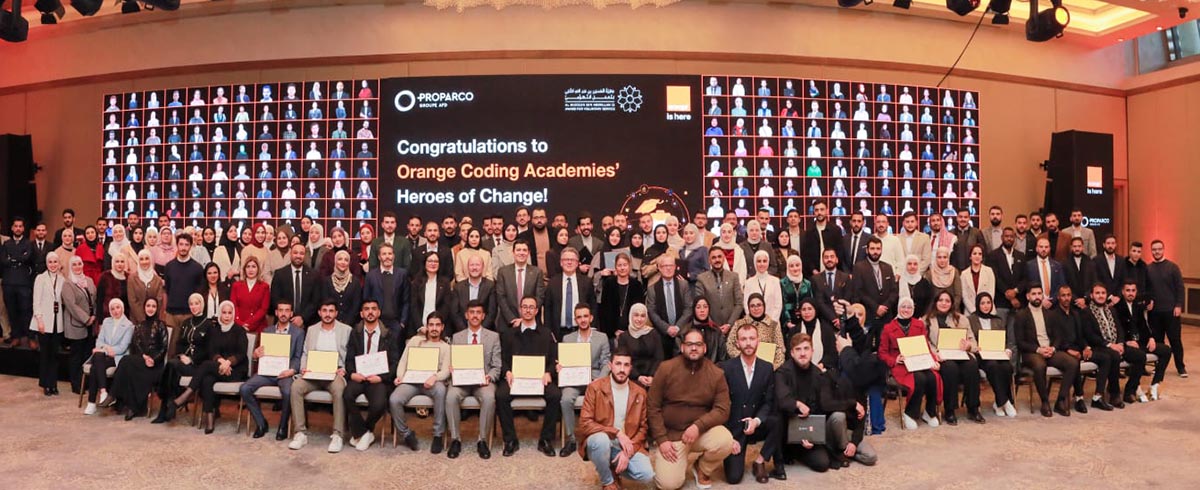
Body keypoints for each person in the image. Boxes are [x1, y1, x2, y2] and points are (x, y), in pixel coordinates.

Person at [775, 332, 877, 471]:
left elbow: (823, 406)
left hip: (811, 427)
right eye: (798, 349)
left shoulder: (819, 374)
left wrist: (811, 434)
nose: (803, 353)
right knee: (823, 461)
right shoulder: (782, 372)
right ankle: (793, 451)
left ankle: (831, 451)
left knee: (823, 463)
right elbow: (782, 401)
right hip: (789, 428)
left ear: (812, 351)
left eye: (806, 349)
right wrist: (797, 405)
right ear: (792, 353)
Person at [648, 328, 734, 490]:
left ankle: (701, 468)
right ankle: (677, 463)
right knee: (668, 484)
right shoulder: (666, 368)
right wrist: (661, 439)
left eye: (698, 344)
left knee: (726, 441)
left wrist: (698, 426)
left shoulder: (716, 374)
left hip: (700, 433)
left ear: (704, 348)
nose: (694, 348)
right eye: (689, 344)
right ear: (682, 347)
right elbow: (653, 406)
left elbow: (723, 409)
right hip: (672, 437)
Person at [577, 346, 654, 490]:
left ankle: (612, 466)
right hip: (601, 441)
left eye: (626, 365)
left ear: (631, 368)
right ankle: (608, 481)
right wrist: (616, 432)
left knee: (646, 474)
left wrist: (627, 453)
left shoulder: (640, 393)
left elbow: (643, 428)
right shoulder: (595, 388)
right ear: (610, 365)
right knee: (601, 441)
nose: (622, 369)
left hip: (627, 444)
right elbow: (585, 423)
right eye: (618, 364)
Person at [168, 300, 248, 433]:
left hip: (235, 370)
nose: (227, 316)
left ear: (233, 314)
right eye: (224, 313)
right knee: (207, 379)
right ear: (220, 314)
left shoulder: (239, 330)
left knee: (205, 365)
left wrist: (228, 362)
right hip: (219, 368)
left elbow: (241, 353)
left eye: (229, 313)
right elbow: (212, 351)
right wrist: (221, 361)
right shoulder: (215, 330)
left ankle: (185, 395)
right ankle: (210, 418)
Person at [721, 323, 785, 483]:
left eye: (752, 338)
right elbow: (721, 405)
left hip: (756, 424)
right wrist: (727, 438)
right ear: (737, 343)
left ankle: (760, 461)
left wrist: (756, 421)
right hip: (735, 428)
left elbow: (768, 402)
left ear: (758, 341)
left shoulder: (767, 367)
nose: (748, 343)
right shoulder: (726, 368)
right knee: (733, 478)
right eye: (743, 339)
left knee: (778, 420)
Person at [288, 301, 353, 452]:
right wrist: (304, 368)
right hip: (314, 372)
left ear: (336, 313)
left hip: (334, 372)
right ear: (319, 312)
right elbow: (305, 352)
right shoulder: (312, 330)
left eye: (331, 311)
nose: (327, 314)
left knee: (339, 389)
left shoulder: (346, 330)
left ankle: (338, 435)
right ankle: (300, 433)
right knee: (296, 387)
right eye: (324, 310)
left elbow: (350, 355)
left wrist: (344, 369)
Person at [446, 300, 501, 459]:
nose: (475, 316)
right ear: (466, 315)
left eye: (478, 313)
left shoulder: (493, 337)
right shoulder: (457, 337)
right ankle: (455, 439)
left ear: (483, 316)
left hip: (483, 381)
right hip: (462, 381)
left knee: (489, 398)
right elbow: (453, 361)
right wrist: (452, 368)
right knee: (450, 396)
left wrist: (489, 376)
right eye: (472, 312)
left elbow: (497, 365)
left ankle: (482, 440)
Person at [342, 300, 400, 452]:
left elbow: (395, 363)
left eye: (374, 309)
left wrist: (381, 378)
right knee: (347, 395)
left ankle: (364, 431)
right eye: (366, 309)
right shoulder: (355, 333)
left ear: (379, 312)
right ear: (361, 313)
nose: (370, 312)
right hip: (359, 377)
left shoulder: (389, 334)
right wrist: (352, 374)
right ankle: (364, 433)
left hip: (378, 378)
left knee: (379, 404)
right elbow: (349, 359)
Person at [1013, 284, 1079, 417]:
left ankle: (1060, 401)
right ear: (1028, 296)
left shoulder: (1050, 314)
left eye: (1039, 293)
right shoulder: (1021, 315)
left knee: (1072, 363)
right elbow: (1020, 342)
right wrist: (1039, 350)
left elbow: (1058, 336)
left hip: (1050, 350)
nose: (1037, 297)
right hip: (1032, 352)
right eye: (1034, 294)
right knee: (1040, 365)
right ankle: (1044, 401)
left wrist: (1053, 348)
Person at [878, 297, 942, 429]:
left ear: (913, 309)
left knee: (933, 377)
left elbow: (926, 347)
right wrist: (895, 360)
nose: (906, 310)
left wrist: (934, 361)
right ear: (898, 308)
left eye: (909, 307)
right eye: (903, 307)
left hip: (919, 361)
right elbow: (882, 353)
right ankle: (909, 413)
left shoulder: (919, 325)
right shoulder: (888, 328)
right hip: (900, 366)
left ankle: (929, 412)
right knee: (919, 378)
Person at [557, 304, 612, 457]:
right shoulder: (567, 339)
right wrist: (560, 367)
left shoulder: (602, 337)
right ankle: (571, 439)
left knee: (602, 397)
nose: (583, 320)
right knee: (565, 399)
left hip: (594, 378)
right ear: (575, 320)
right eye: (579, 317)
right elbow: (564, 362)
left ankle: (595, 438)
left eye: (585, 316)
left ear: (591, 318)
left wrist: (598, 381)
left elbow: (606, 363)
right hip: (574, 379)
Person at [925, 290, 984, 424]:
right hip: (941, 355)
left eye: (947, 301)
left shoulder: (962, 319)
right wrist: (935, 353)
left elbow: (973, 341)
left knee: (972, 365)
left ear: (952, 303)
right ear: (935, 302)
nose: (944, 303)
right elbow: (926, 342)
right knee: (950, 368)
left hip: (960, 353)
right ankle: (950, 410)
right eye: (941, 300)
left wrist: (968, 345)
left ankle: (973, 408)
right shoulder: (926, 320)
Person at [108, 297, 169, 420]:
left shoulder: (161, 325)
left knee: (126, 362)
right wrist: (144, 357)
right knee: (127, 362)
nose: (150, 308)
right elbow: (135, 345)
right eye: (148, 306)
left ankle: (115, 396)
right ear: (144, 308)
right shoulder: (139, 325)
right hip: (141, 360)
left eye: (153, 306)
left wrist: (153, 359)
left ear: (157, 309)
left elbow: (163, 348)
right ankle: (131, 406)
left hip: (155, 364)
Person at [154, 294, 211, 424]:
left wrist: (191, 359)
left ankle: (165, 408)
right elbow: (179, 344)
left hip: (197, 366)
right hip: (182, 362)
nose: (194, 307)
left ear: (202, 305)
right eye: (191, 304)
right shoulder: (186, 323)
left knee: (171, 366)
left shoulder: (208, 325)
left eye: (196, 303)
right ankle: (170, 405)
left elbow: (208, 350)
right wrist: (181, 356)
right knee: (172, 368)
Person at [1114, 280, 1171, 401]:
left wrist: (1151, 338)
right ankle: (1132, 389)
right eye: (1128, 290)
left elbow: (1144, 326)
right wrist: (1126, 342)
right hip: (1126, 344)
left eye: (1133, 291)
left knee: (1166, 350)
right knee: (1139, 356)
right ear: (1123, 292)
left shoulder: (1138, 306)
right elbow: (1116, 330)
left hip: (1140, 342)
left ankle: (1155, 385)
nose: (1131, 293)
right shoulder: (1116, 308)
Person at [967, 292, 1017, 417]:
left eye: (988, 303)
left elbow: (1005, 340)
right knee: (993, 366)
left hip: (997, 353)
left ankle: (998, 402)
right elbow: (969, 338)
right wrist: (975, 348)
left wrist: (1008, 350)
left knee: (1007, 367)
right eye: (982, 303)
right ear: (978, 305)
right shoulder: (971, 319)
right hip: (980, 355)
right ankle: (1005, 402)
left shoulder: (997, 320)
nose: (986, 306)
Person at [83, 299, 134, 415]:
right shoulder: (106, 322)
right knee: (97, 361)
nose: (115, 311)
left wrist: (104, 349)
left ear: (122, 309)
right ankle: (103, 391)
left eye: (118, 308)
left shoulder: (129, 326)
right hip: (103, 356)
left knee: (95, 365)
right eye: (112, 308)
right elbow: (99, 341)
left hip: (117, 357)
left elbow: (122, 348)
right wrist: (105, 349)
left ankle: (92, 403)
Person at [1146, 240, 1185, 377]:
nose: (1157, 251)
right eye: (1154, 249)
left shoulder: (1173, 267)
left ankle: (1181, 367)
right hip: (1154, 313)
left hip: (1171, 311)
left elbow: (1180, 288)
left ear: (1163, 250)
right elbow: (1146, 289)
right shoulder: (1148, 269)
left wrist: (1178, 305)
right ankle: (1159, 367)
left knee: (1175, 340)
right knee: (1158, 342)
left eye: (1159, 249)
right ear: (1151, 251)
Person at [850, 237, 899, 344]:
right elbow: (858, 291)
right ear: (867, 250)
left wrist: (885, 306)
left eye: (878, 249)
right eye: (872, 249)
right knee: (866, 348)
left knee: (885, 347)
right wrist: (876, 307)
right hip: (868, 315)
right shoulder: (859, 267)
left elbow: (894, 291)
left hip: (886, 316)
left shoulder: (888, 267)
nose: (875, 252)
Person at [33, 252, 67, 395]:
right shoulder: (40, 278)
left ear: (59, 264)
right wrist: (39, 320)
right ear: (47, 264)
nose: (53, 265)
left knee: (54, 355)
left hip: (57, 322)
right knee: (45, 355)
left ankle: (53, 384)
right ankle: (45, 384)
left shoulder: (62, 279)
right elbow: (36, 301)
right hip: (44, 322)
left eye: (55, 262)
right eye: (50, 262)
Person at [692, 247, 744, 340]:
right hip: (710, 329)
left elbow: (739, 303)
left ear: (724, 258)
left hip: (732, 328)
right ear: (709, 261)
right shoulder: (702, 279)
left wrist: (729, 324)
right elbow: (700, 305)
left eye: (719, 257)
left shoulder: (734, 277)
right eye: (714, 257)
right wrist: (713, 325)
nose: (717, 260)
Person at [646, 254, 692, 356]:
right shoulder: (652, 289)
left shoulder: (683, 285)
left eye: (671, 265)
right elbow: (652, 312)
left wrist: (677, 327)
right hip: (661, 335)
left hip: (681, 332)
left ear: (675, 267)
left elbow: (689, 308)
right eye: (665, 266)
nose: (668, 268)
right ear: (659, 268)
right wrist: (667, 328)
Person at [727, 293, 786, 368]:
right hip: (743, 367)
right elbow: (730, 345)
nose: (756, 308)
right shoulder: (739, 324)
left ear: (764, 306)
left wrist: (771, 368)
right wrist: (745, 359)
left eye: (759, 305)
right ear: (748, 308)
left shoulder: (773, 325)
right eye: (752, 306)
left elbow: (780, 349)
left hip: (769, 368)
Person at [596, 252, 645, 338]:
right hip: (611, 333)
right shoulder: (608, 284)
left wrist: (629, 331)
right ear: (615, 267)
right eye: (619, 265)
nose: (622, 268)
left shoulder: (636, 285)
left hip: (633, 333)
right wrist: (613, 331)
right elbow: (604, 310)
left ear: (629, 266)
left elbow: (640, 310)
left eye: (625, 265)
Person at [617, 303, 664, 391]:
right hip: (631, 377)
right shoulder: (624, 337)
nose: (639, 319)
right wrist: (638, 377)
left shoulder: (654, 334)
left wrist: (652, 376)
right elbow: (623, 360)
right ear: (631, 316)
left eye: (642, 316)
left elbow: (659, 358)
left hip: (652, 376)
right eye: (636, 315)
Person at [270, 243, 319, 328]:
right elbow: (275, 299)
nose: (298, 256)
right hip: (283, 322)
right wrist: (288, 316)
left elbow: (315, 301)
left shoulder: (314, 275)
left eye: (301, 253)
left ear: (305, 256)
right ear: (290, 254)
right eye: (295, 253)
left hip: (307, 323)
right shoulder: (279, 274)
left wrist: (302, 318)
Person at [407, 252, 454, 339]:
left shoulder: (445, 283)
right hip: (420, 329)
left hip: (439, 330)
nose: (433, 264)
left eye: (436, 261)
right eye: (430, 261)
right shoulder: (416, 282)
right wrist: (420, 326)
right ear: (424, 263)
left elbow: (446, 306)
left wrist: (436, 326)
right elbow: (414, 306)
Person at [229, 255, 270, 335]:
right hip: (239, 325)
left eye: (253, 266)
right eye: (248, 266)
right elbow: (233, 306)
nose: (251, 270)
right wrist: (240, 323)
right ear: (244, 269)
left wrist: (249, 323)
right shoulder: (236, 285)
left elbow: (263, 309)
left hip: (258, 326)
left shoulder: (264, 286)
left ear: (258, 269)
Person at [742, 251, 783, 326]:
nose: (762, 264)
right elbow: (746, 305)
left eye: (764, 261)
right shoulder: (748, 282)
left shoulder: (775, 281)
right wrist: (754, 321)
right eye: (759, 261)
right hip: (754, 325)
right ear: (755, 263)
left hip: (773, 324)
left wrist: (772, 322)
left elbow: (778, 304)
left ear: (768, 262)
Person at [127, 249, 165, 324]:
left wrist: (151, 318)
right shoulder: (132, 279)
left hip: (153, 320)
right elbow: (132, 301)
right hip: (136, 320)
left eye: (147, 258)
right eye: (141, 259)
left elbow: (159, 301)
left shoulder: (158, 280)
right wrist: (143, 320)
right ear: (138, 261)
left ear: (151, 260)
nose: (144, 262)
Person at [925, 247, 962, 311]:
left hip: (952, 311)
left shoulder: (954, 272)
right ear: (936, 258)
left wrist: (951, 309)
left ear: (948, 258)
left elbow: (958, 295)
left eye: (945, 257)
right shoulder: (930, 273)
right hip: (933, 311)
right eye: (939, 257)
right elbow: (927, 297)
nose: (942, 260)